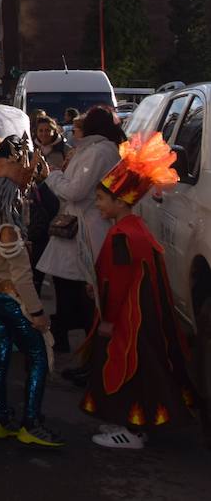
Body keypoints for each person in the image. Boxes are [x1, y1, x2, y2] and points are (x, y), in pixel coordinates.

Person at [82, 133, 196, 449]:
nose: (99, 204)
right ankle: (129, 423)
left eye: (103, 199)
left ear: (121, 201)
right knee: (142, 367)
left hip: (128, 321)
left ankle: (132, 430)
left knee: (129, 368)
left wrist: (109, 318)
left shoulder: (122, 237)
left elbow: (117, 284)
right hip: (143, 317)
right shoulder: (137, 229)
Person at [0, 135, 64, 449]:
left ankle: (0, 421)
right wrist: (37, 314)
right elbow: (23, 278)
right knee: (37, 357)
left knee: (0, 359)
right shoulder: (7, 228)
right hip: (13, 301)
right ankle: (31, 423)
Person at [36, 106, 122, 355]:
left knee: (87, 301)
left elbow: (75, 191)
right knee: (69, 293)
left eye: (78, 127)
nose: (74, 131)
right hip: (79, 229)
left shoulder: (98, 153)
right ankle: (78, 350)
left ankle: (92, 357)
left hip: (86, 231)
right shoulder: (94, 151)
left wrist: (52, 176)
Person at [29, 114, 71, 296]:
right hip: (37, 205)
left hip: (58, 204)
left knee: (55, 247)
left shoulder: (65, 150)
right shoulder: (30, 150)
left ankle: (58, 283)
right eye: (41, 130)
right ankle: (36, 286)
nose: (44, 133)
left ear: (55, 131)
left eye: (48, 130)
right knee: (38, 246)